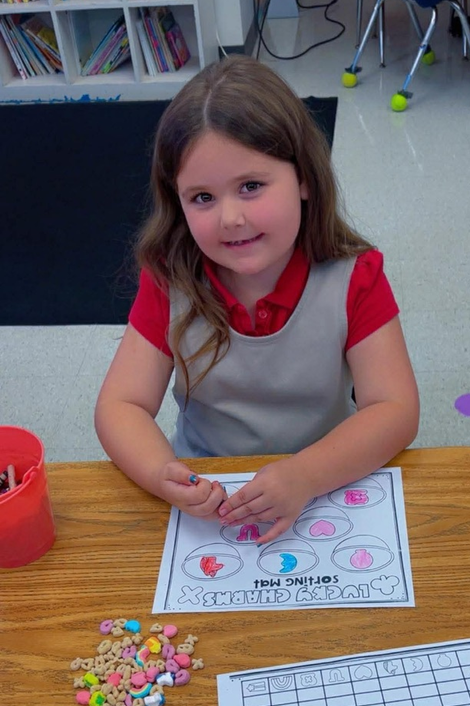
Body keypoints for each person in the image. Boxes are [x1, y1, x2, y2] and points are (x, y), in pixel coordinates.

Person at [95, 56, 419, 546]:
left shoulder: (356, 276)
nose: (230, 218)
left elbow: (395, 409)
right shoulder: (169, 280)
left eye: (251, 186)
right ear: (177, 202)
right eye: (202, 197)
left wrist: (306, 475)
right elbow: (120, 405)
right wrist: (161, 472)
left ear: (304, 179)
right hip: (213, 501)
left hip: (329, 481)